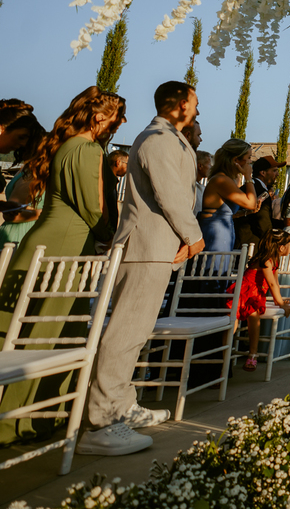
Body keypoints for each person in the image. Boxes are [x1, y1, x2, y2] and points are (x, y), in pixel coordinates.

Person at [79, 81, 204, 457]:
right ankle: (100, 423)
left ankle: (121, 405)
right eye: (196, 104)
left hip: (156, 246)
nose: (198, 111)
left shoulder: (168, 137)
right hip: (145, 246)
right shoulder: (158, 139)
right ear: (181, 104)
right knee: (125, 334)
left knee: (136, 332)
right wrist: (194, 236)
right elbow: (170, 194)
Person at [0, 87, 124, 446]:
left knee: (42, 330)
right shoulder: (86, 149)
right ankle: (23, 421)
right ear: (100, 117)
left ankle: (37, 417)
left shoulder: (67, 144)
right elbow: (92, 207)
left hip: (55, 241)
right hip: (64, 246)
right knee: (47, 334)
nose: (119, 125)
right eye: (117, 118)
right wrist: (110, 236)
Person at [229, 229, 290, 373]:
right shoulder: (266, 260)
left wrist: (279, 300)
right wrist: (282, 304)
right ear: (281, 247)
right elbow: (270, 283)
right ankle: (227, 353)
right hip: (244, 293)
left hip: (255, 295)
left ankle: (252, 353)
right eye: (289, 245)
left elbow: (275, 283)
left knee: (253, 314)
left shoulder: (275, 260)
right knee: (239, 318)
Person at [198, 139, 263, 254]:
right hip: (216, 233)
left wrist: (244, 213)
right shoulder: (221, 180)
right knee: (215, 269)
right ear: (236, 160)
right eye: (248, 157)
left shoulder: (227, 179)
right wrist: (248, 176)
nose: (250, 162)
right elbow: (251, 203)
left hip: (224, 230)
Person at [0, 116, 48, 243]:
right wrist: (47, 214)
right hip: (18, 236)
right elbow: (13, 215)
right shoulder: (32, 173)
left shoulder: (27, 170)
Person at [234, 154, 279, 252]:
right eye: (274, 171)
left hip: (242, 243)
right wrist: (273, 241)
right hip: (250, 245)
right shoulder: (260, 191)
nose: (277, 174)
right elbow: (262, 222)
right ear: (263, 172)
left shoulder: (251, 187)